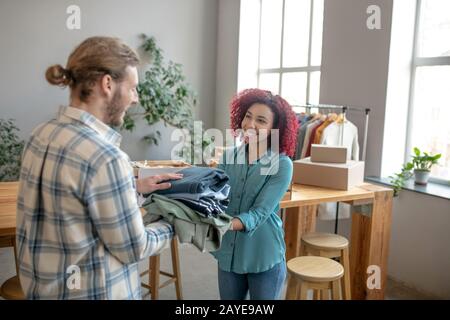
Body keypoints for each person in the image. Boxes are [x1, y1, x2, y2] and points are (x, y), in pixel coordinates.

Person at [16, 36, 182, 299]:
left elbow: (71, 207)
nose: (135, 99)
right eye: (133, 88)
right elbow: (134, 248)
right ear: (107, 84)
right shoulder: (107, 159)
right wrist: (176, 220)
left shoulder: (40, 135)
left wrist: (132, 188)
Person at [212, 88, 299, 300]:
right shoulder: (229, 156)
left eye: (261, 120)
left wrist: (225, 224)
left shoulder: (282, 164)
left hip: (264, 255)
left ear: (273, 128)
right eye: (248, 116)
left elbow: (260, 213)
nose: (250, 125)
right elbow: (217, 197)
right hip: (229, 254)